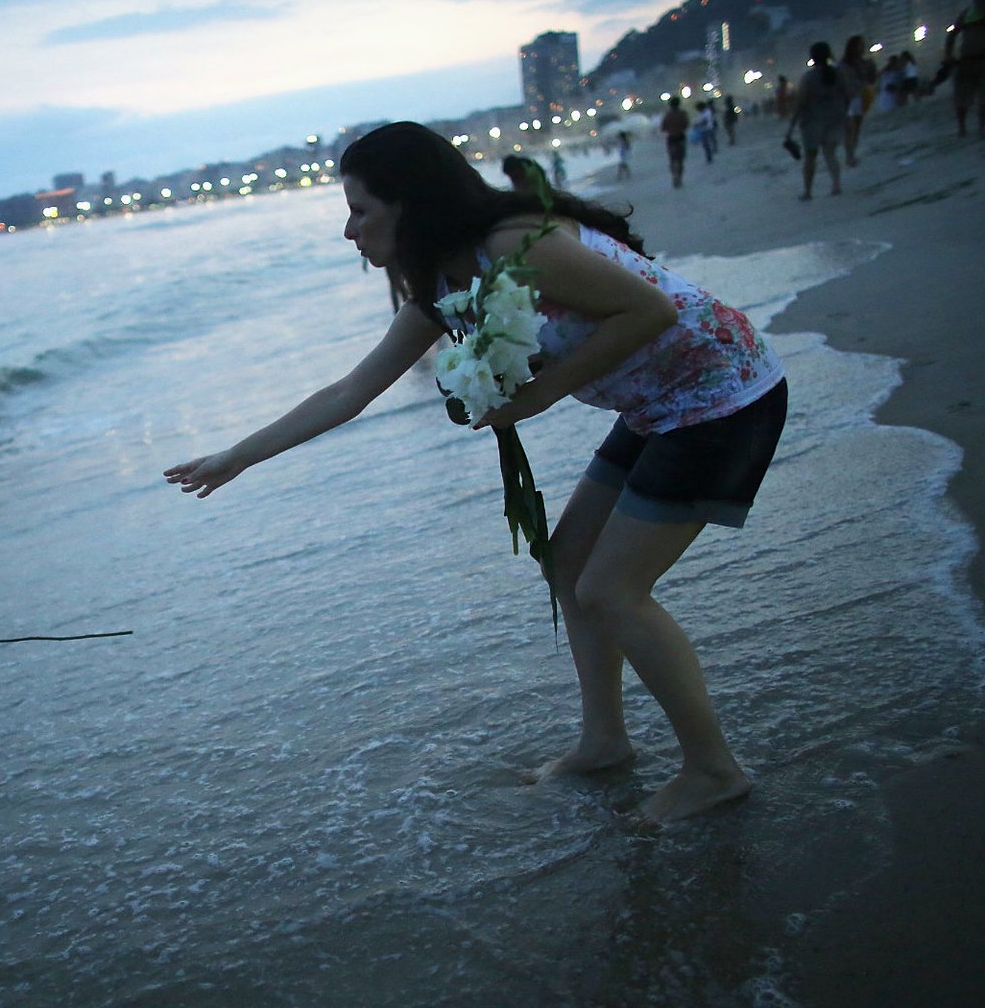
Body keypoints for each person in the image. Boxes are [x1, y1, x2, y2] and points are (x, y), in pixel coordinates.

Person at [164, 121, 788, 823]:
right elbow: (350, 391)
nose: (349, 232)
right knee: (568, 561)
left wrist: (543, 392)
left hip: (722, 392)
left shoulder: (515, 247)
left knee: (612, 589)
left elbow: (650, 310)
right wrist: (236, 457)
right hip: (656, 406)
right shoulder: (446, 279)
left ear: (412, 204)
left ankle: (713, 770)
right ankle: (605, 741)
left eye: (361, 211)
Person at [787, 41, 853, 200]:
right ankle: (836, 185)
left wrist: (791, 127)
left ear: (812, 58)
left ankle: (808, 192)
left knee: (811, 157)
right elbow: (847, 96)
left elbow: (801, 103)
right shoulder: (838, 74)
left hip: (813, 122)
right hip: (835, 118)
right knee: (830, 154)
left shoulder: (809, 78)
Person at [943, 0, 985, 137]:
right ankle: (962, 127)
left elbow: (951, 36)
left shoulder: (967, 14)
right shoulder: (967, 14)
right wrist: (949, 55)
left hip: (973, 60)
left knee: (979, 96)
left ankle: (979, 126)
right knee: (962, 97)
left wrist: (949, 54)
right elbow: (952, 36)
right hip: (967, 61)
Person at [840, 34, 877, 166]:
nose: (863, 47)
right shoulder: (844, 64)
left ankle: (851, 154)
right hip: (846, 99)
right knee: (850, 129)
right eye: (860, 45)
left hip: (859, 97)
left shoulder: (865, 63)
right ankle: (849, 156)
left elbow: (872, 79)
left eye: (863, 44)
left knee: (856, 128)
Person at [660, 96, 690, 188]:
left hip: (671, 138)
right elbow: (686, 125)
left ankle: (674, 176)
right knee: (680, 160)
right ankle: (679, 178)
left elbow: (663, 128)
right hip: (681, 137)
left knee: (672, 159)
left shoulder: (667, 115)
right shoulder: (682, 113)